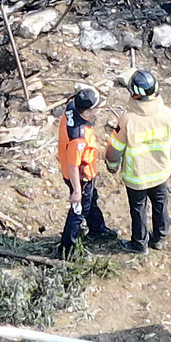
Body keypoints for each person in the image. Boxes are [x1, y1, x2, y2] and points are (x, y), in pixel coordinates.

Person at [105, 69, 171, 254]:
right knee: (160, 205)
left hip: (137, 177)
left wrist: (112, 166)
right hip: (161, 173)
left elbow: (113, 151)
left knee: (138, 210)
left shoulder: (127, 121)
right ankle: (160, 237)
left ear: (134, 94)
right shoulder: (167, 115)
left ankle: (139, 244)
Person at [55, 85, 118, 258]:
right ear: (87, 112)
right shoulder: (79, 138)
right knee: (78, 210)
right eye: (97, 107)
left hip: (81, 173)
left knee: (91, 200)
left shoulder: (71, 107)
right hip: (80, 177)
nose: (101, 108)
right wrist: (76, 191)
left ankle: (97, 229)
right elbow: (73, 165)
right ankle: (67, 250)